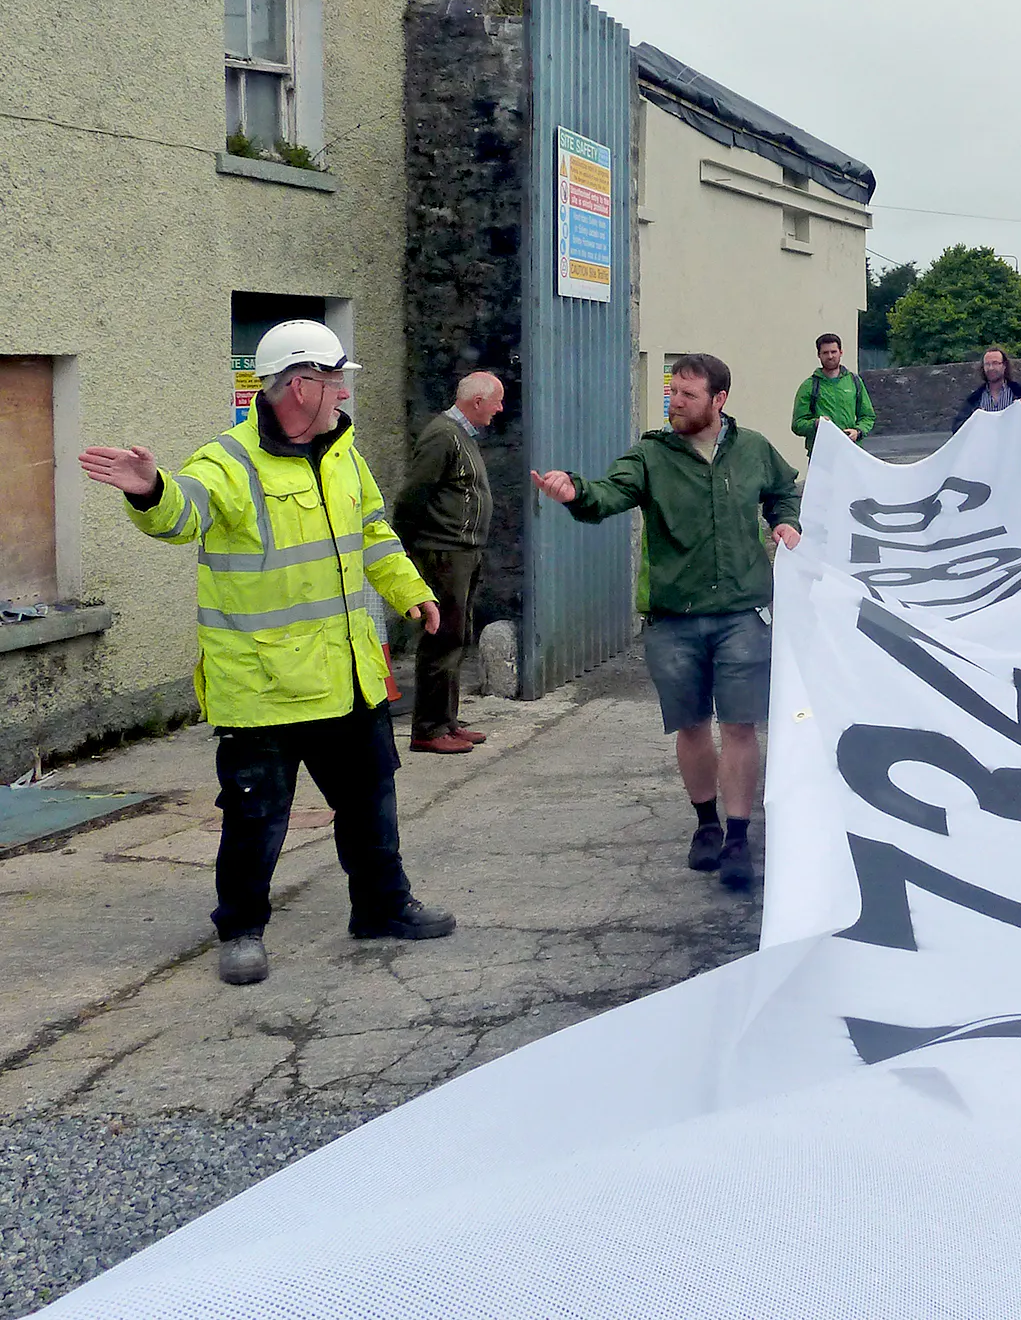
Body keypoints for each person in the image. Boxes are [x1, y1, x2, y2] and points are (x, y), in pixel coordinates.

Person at [78, 320, 456, 987]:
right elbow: (183, 513)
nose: (345, 393)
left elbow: (373, 533)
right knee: (256, 818)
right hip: (261, 688)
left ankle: (381, 907)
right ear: (301, 385)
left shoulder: (345, 454)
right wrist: (150, 489)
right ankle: (241, 931)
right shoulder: (228, 461)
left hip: (346, 676)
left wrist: (411, 591)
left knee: (371, 802)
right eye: (335, 380)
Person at [529, 354, 801, 890]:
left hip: (744, 612)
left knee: (740, 725)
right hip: (674, 618)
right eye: (672, 392)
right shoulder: (651, 454)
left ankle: (738, 837)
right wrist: (576, 492)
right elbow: (610, 492)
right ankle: (706, 825)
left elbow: (783, 490)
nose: (675, 402)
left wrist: (786, 522)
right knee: (692, 724)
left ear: (719, 400)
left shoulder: (753, 449)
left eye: (688, 395)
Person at [394, 372, 504, 755]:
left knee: (456, 637)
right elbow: (413, 495)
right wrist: (407, 548)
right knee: (441, 638)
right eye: (497, 401)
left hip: (462, 552)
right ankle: (428, 728)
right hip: (444, 553)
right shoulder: (443, 435)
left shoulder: (461, 435)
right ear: (478, 401)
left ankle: (447, 721)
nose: (500, 409)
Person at [790, 332, 875, 456]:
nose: (830, 356)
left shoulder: (854, 381)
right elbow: (797, 425)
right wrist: (816, 423)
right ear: (818, 355)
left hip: (851, 452)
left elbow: (868, 416)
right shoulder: (809, 386)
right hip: (821, 455)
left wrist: (858, 431)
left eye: (833, 352)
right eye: (825, 353)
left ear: (841, 352)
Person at [951, 347, 1021, 432]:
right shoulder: (974, 399)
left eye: (995, 363)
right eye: (987, 364)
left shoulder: (1020, 392)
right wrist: (973, 419)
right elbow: (956, 428)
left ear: (1004, 365)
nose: (991, 368)